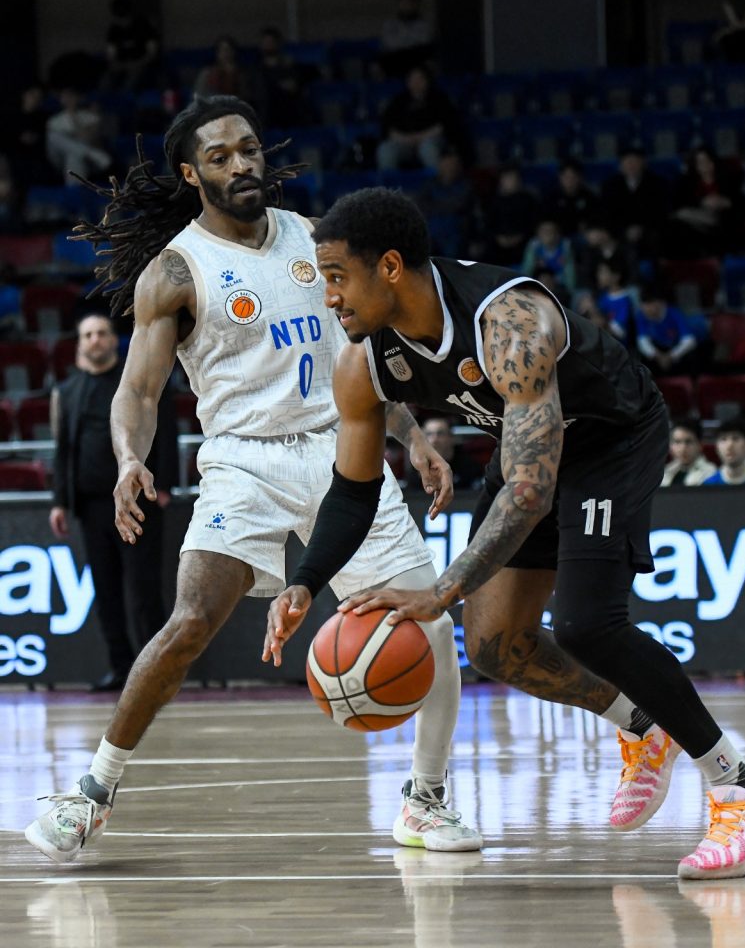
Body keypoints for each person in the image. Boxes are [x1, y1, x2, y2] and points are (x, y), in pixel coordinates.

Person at [266, 187, 745, 880]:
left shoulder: (509, 320)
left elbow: (529, 493)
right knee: (494, 645)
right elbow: (354, 489)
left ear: (389, 267)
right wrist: (305, 582)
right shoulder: (362, 362)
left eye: (336, 277)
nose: (328, 296)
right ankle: (643, 730)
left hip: (609, 439)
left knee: (587, 624)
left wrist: (442, 590)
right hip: (525, 454)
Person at [24, 95, 481, 865]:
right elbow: (137, 391)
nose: (241, 164)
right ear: (191, 173)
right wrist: (131, 458)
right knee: (189, 623)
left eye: (249, 149)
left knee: (429, 624)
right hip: (244, 460)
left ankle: (425, 799)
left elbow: (359, 355)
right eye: (220, 156)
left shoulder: (315, 237)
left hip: (343, 448)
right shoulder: (175, 271)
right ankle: (92, 793)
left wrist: (410, 437)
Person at [49, 313, 177, 691]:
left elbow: (166, 431)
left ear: (112, 340)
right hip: (91, 506)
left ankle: (154, 672)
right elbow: (63, 450)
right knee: (105, 592)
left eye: (101, 333)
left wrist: (164, 483)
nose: (95, 339)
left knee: (144, 589)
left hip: (139, 500)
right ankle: (121, 668)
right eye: (88, 334)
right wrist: (60, 501)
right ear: (79, 344)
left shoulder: (136, 381)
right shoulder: (67, 391)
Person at [376, 66, 457, 172]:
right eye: (412, 79)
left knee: (428, 148)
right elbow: (389, 128)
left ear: (427, 81)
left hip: (431, 140)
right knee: (385, 149)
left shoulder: (439, 98)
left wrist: (420, 137)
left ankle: (436, 179)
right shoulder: (399, 101)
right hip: (405, 142)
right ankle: (390, 182)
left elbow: (445, 125)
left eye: (420, 79)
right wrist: (406, 139)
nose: (416, 83)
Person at [46, 88, 112, 186]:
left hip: (87, 162)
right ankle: (90, 153)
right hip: (59, 160)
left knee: (74, 155)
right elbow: (54, 146)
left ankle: (74, 191)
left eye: (71, 96)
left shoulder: (90, 116)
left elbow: (88, 138)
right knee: (53, 136)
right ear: (61, 99)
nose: (68, 99)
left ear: (78, 98)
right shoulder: (54, 120)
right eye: (65, 97)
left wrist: (73, 117)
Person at [405, 417, 483, 493]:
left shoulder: (469, 466)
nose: (434, 439)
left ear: (451, 437)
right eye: (429, 434)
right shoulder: (418, 468)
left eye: (440, 433)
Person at [101, 0, 160, 93]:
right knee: (106, 80)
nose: (122, 21)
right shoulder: (114, 29)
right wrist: (117, 64)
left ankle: (127, 99)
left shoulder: (143, 25)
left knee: (132, 79)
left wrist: (138, 63)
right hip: (122, 64)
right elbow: (111, 54)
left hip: (141, 63)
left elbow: (152, 53)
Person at [635, 286, 698, 376]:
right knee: (643, 358)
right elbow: (642, 341)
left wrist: (671, 356)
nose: (645, 308)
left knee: (692, 356)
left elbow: (689, 340)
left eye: (649, 303)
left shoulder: (674, 313)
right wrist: (658, 356)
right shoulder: (641, 315)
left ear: (661, 303)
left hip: (676, 350)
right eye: (643, 304)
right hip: (659, 352)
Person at [661, 417, 717, 487]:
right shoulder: (665, 471)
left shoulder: (710, 472)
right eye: (677, 442)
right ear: (670, 446)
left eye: (688, 442)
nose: (683, 448)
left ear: (700, 445)